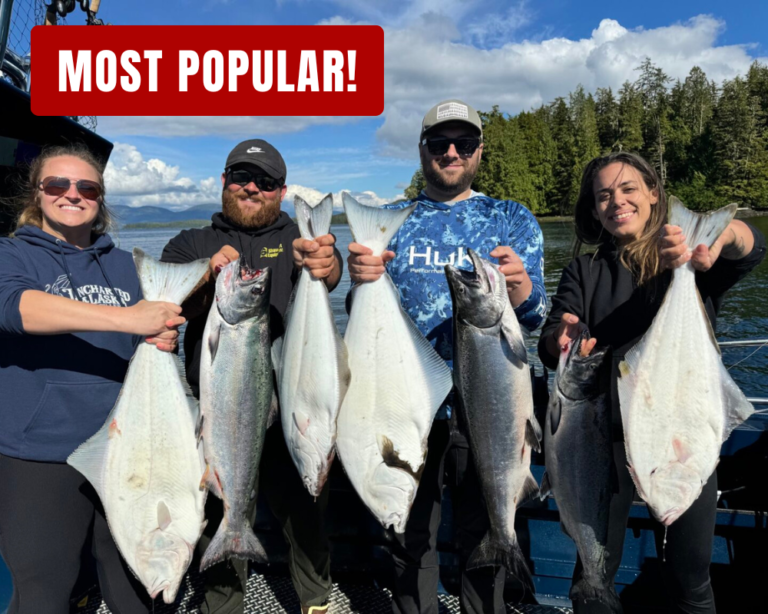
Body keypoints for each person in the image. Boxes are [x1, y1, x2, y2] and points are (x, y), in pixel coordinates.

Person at [537, 151, 766, 614]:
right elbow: (549, 339)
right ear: (594, 207)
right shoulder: (585, 269)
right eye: (604, 195)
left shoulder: (685, 259)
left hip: (682, 439)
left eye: (627, 190)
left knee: (691, 578)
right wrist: (561, 336)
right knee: (594, 569)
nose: (616, 201)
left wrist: (725, 235)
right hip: (605, 442)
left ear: (653, 194)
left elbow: (752, 248)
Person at [347, 99, 547, 614]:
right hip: (407, 405)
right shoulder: (393, 221)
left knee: (485, 528)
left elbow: (534, 316)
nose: (451, 152)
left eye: (463, 143)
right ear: (422, 151)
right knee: (411, 538)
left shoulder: (511, 217)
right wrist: (360, 283)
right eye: (439, 143)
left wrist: (521, 287)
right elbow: (361, 316)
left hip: (491, 409)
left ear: (480, 150)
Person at [0, 145, 185, 614]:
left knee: (141, 586)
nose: (72, 195)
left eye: (87, 188)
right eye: (57, 185)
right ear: (36, 192)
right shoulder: (9, 253)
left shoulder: (126, 265)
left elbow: (147, 337)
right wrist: (130, 320)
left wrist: (161, 338)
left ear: (100, 199)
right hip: (42, 454)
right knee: (43, 590)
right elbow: (17, 309)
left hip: (131, 449)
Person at [160, 139, 342, 614]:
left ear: (280, 191)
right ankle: (222, 605)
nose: (251, 188)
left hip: (293, 413)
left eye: (264, 182)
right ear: (223, 182)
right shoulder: (189, 243)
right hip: (217, 413)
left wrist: (327, 263)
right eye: (241, 177)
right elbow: (165, 303)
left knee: (305, 511)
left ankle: (316, 599)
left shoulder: (296, 237)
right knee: (219, 508)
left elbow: (329, 270)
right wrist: (204, 275)